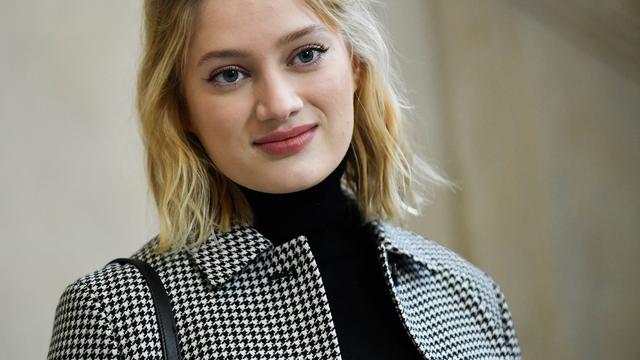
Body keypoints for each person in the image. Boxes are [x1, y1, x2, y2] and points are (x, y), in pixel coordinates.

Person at [48, 0, 521, 359]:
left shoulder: (468, 292)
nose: (278, 104)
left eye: (306, 54)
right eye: (229, 74)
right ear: (182, 107)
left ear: (355, 64)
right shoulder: (115, 316)